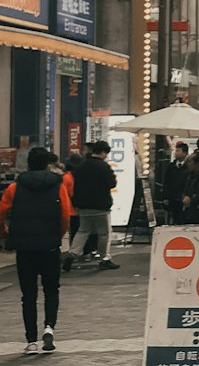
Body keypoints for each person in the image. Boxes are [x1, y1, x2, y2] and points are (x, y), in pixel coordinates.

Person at [0, 146, 75, 354]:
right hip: (49, 245)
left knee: (28, 294)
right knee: (51, 289)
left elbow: (2, 211)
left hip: (25, 247)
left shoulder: (15, 187)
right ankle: (49, 327)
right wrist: (57, 236)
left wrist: (7, 233)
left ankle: (31, 341)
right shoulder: (57, 185)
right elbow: (65, 215)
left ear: (28, 164)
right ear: (47, 164)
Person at [65, 139, 118, 271]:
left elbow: (76, 186)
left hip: (83, 206)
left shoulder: (82, 166)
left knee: (83, 230)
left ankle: (73, 253)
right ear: (103, 153)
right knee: (104, 233)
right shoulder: (104, 166)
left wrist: (77, 203)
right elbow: (112, 183)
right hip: (100, 206)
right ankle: (104, 258)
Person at [163, 141, 189, 224]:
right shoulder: (171, 166)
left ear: (185, 153)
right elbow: (166, 182)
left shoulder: (188, 167)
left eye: (178, 151)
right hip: (172, 197)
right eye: (176, 151)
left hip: (183, 197)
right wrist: (165, 197)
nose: (176, 153)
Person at [181, 151, 199, 223]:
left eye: (190, 162)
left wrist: (192, 199)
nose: (188, 165)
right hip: (189, 211)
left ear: (198, 164)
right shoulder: (190, 176)